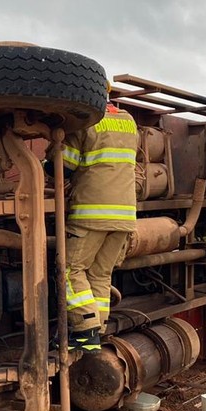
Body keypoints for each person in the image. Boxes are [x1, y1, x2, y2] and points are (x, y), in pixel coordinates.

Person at [49, 100, 138, 352]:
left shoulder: (83, 121)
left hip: (92, 212)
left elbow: (63, 166)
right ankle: (97, 331)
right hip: (125, 215)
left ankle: (84, 329)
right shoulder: (128, 121)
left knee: (70, 270)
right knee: (100, 274)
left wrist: (50, 156)